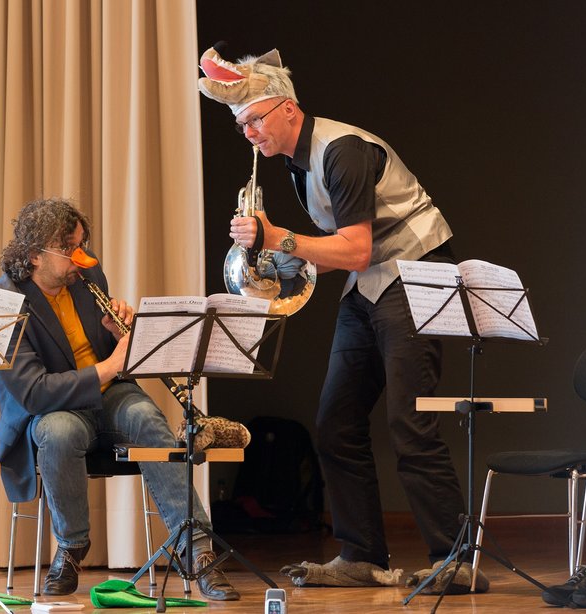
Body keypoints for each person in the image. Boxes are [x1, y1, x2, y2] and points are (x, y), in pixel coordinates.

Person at [197, 47, 488, 594]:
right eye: (241, 126)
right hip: (371, 283)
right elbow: (342, 251)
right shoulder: (298, 161)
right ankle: (360, 554)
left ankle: (455, 560)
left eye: (254, 119)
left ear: (287, 108)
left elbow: (355, 249)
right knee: (336, 424)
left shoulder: (342, 150)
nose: (249, 133)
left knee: (411, 423)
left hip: (415, 275)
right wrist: (277, 260)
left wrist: (277, 237)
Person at [0, 198, 239, 600]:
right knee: (58, 431)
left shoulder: (86, 276)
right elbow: (34, 393)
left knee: (146, 417)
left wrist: (119, 333)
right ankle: (71, 546)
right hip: (54, 411)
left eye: (82, 245)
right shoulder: (3, 301)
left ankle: (197, 550)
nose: (82, 257)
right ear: (34, 255)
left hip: (109, 397)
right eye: (69, 248)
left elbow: (114, 355)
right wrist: (109, 366)